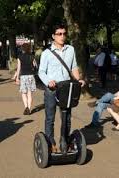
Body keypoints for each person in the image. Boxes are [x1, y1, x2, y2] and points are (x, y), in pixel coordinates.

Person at [38, 23, 85, 153]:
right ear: (53, 36)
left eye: (64, 33)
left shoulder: (70, 49)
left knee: (66, 117)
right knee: (50, 117)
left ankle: (64, 140)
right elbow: (41, 72)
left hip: (66, 88)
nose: (62, 36)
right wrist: (49, 81)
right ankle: (50, 142)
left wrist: (77, 80)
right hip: (52, 89)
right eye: (59, 34)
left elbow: (73, 67)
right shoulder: (47, 53)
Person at [15, 43, 37, 115]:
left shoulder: (20, 57)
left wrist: (17, 78)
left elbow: (18, 68)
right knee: (29, 93)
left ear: (22, 49)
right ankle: (29, 109)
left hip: (23, 76)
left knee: (24, 93)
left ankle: (26, 107)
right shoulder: (32, 56)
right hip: (31, 75)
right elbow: (35, 65)